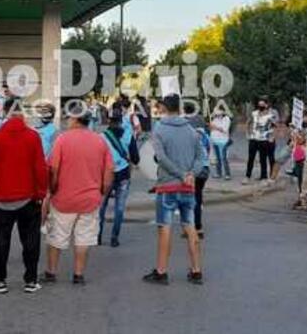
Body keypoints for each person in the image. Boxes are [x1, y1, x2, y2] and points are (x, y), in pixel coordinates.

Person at [0, 98, 47, 295]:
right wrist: (41, 193)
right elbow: (40, 168)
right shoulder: (33, 137)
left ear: (6, 112)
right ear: (22, 113)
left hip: (2, 197)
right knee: (30, 240)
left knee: (1, 240)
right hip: (28, 196)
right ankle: (31, 280)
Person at [43, 103, 113, 285]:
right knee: (84, 238)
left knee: (56, 236)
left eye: (68, 117)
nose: (66, 121)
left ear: (74, 119)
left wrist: (52, 189)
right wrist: (102, 191)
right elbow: (109, 171)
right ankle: (78, 274)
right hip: (90, 199)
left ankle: (51, 272)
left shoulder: (62, 140)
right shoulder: (100, 141)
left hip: (63, 199)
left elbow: (54, 168)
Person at [143, 94, 205, 286]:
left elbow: (161, 158)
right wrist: (189, 175)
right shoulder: (191, 130)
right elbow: (201, 158)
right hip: (188, 186)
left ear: (163, 107)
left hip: (167, 186)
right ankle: (196, 271)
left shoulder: (159, 129)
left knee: (165, 228)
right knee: (190, 227)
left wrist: (179, 174)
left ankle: (161, 271)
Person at [98, 111, 130, 247]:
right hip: (123, 174)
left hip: (106, 175)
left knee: (101, 206)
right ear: (121, 120)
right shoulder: (128, 135)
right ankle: (114, 238)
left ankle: (97, 236)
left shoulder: (101, 137)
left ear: (108, 121)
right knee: (119, 208)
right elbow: (135, 157)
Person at [244, 97, 278, 184]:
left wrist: (272, 136)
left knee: (263, 159)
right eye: (259, 105)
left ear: (266, 105)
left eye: (262, 105)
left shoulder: (270, 115)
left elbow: (275, 126)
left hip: (264, 139)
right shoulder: (254, 113)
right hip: (254, 138)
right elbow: (248, 122)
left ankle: (264, 177)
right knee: (251, 158)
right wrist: (247, 133)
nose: (261, 106)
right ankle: (247, 176)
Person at [209, 108, 231, 180]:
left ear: (222, 111)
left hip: (223, 141)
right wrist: (211, 127)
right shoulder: (215, 119)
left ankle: (227, 174)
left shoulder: (226, 119)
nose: (216, 112)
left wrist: (215, 127)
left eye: (218, 111)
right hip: (215, 140)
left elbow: (224, 129)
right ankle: (219, 173)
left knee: (224, 158)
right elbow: (212, 128)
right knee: (217, 158)